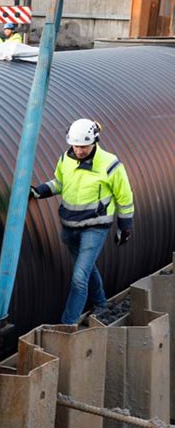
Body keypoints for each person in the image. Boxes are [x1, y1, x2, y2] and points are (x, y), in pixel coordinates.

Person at [30, 118, 135, 324]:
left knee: (79, 278)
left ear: (95, 141)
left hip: (95, 228)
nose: (79, 151)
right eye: (75, 146)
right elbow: (60, 182)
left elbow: (125, 197)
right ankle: (101, 303)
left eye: (83, 147)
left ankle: (67, 325)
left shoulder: (110, 164)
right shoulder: (65, 159)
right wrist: (39, 191)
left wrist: (125, 227)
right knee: (86, 268)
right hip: (70, 228)